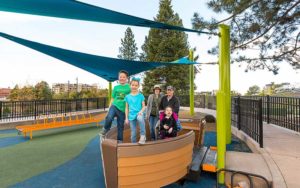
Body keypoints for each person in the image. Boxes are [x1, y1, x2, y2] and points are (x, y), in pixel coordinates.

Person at [100, 70, 131, 142]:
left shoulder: (129, 87)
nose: (122, 78)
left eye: (124, 77)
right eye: (120, 77)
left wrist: (129, 112)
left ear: (126, 78)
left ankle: (120, 141)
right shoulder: (116, 87)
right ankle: (105, 129)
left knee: (120, 126)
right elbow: (112, 99)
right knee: (109, 117)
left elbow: (132, 97)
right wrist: (109, 109)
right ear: (118, 78)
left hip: (123, 110)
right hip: (114, 106)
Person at [125, 77, 146, 144]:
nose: (134, 87)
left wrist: (141, 111)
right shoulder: (127, 97)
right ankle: (133, 145)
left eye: (136, 85)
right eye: (133, 85)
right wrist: (126, 118)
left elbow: (144, 106)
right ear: (130, 85)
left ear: (138, 86)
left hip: (139, 114)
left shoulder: (141, 95)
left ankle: (143, 136)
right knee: (133, 133)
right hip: (131, 116)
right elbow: (126, 108)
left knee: (140, 118)